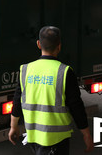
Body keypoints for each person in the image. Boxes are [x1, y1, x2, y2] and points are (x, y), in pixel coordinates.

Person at [8, 26, 94, 154]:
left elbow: (17, 101)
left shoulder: (25, 70)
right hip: (57, 140)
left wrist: (13, 127)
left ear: (38, 44)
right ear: (59, 46)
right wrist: (86, 134)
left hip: (33, 137)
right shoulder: (64, 72)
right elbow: (76, 107)